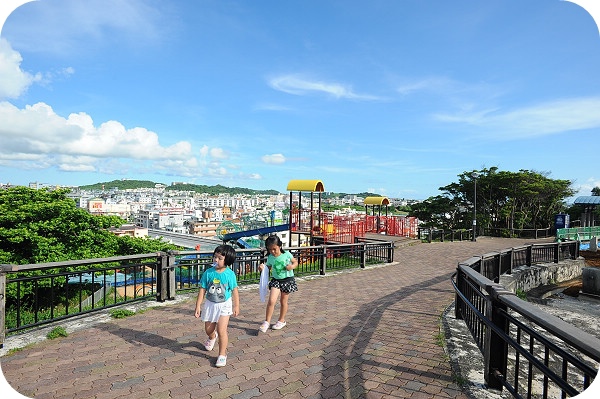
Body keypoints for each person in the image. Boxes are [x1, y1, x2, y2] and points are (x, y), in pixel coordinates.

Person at [194, 244, 240, 367]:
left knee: (222, 329)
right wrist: (198, 305)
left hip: (225, 304)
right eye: (215, 257)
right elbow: (202, 289)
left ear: (227, 260)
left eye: (220, 258)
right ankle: (212, 337)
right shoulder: (208, 273)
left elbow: (234, 290)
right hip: (210, 303)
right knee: (208, 329)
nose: (216, 260)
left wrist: (236, 306)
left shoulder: (229, 274)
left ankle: (222, 354)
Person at [258, 235, 298, 333]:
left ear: (279, 246)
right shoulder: (270, 257)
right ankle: (267, 322)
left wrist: (291, 266)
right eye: (270, 249)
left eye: (274, 249)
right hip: (276, 280)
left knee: (283, 301)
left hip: (287, 280)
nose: (272, 251)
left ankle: (281, 320)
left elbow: (295, 262)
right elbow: (268, 268)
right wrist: (262, 269)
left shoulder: (287, 254)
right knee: (271, 301)